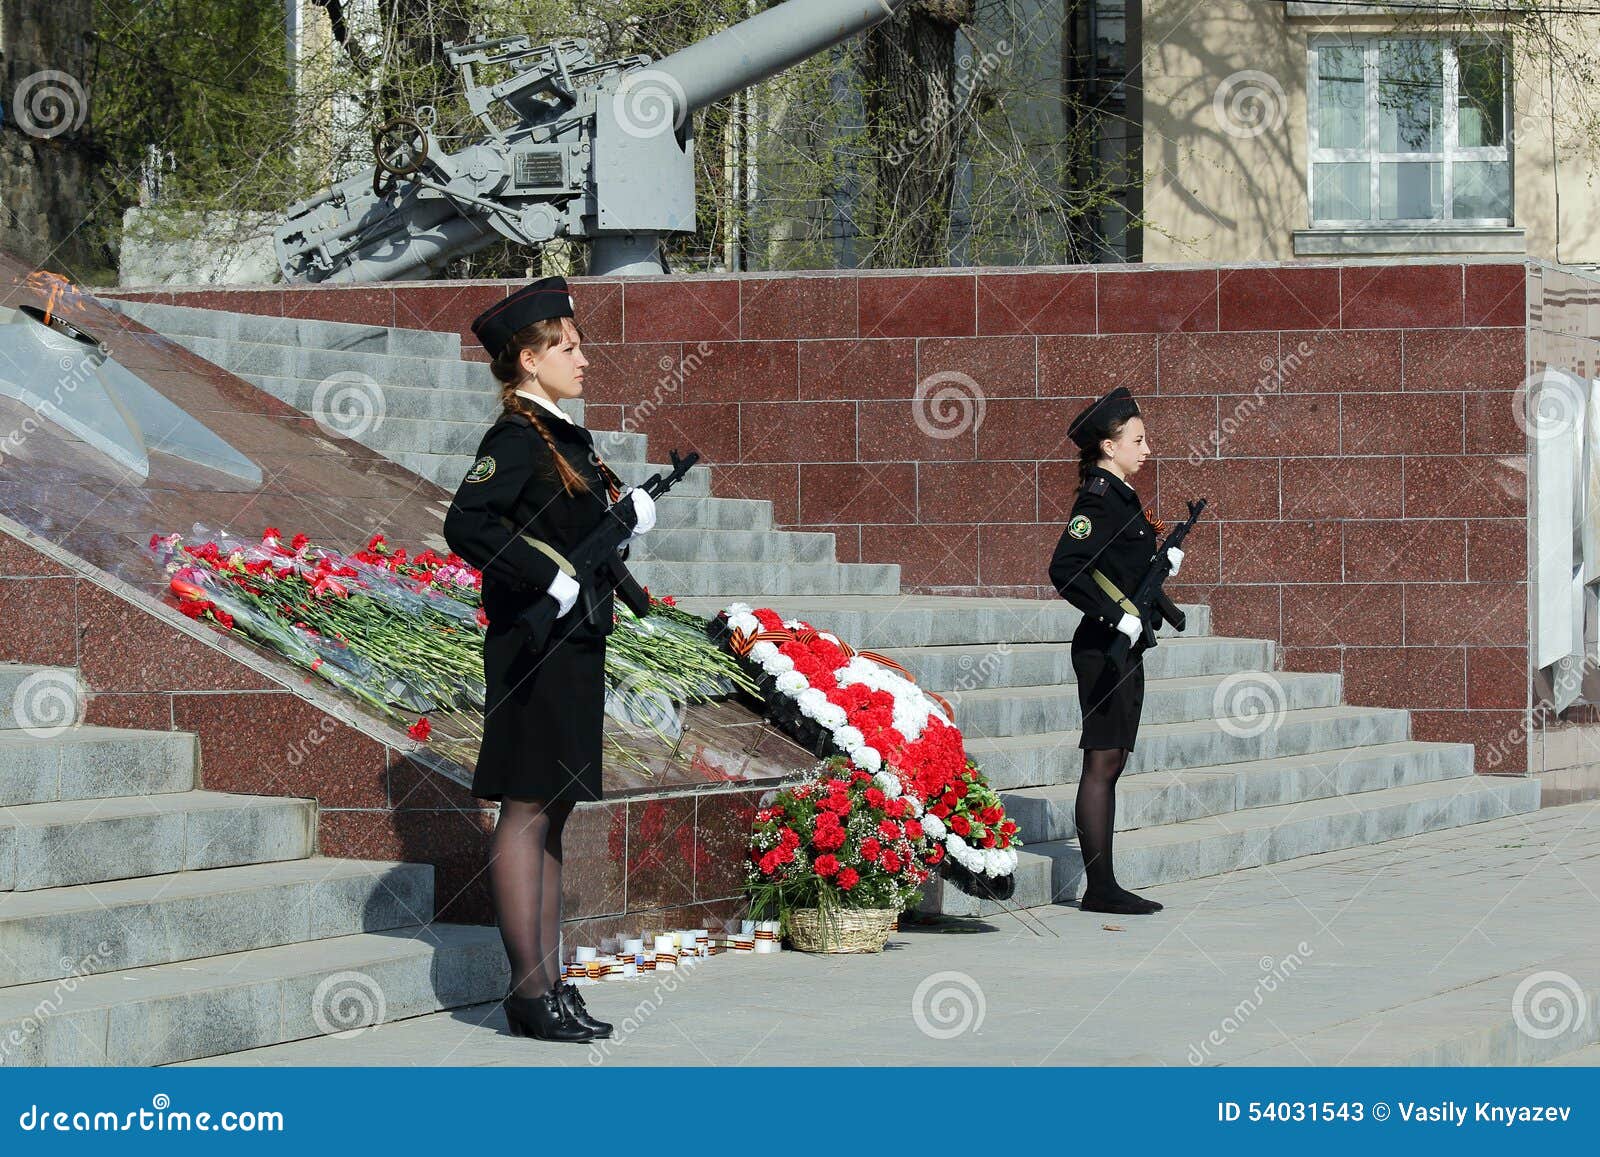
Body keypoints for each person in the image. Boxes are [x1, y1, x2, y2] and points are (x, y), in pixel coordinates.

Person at [444, 276, 657, 1041]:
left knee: (553, 810)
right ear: (529, 360)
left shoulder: (563, 435)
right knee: (526, 807)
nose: (584, 359)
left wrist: (624, 524)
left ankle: (552, 982)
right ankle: (527, 993)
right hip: (533, 646)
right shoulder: (514, 436)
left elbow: (575, 532)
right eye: (567, 347)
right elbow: (464, 523)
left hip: (574, 645)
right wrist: (547, 574)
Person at [1047, 386, 1183, 917]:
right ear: (1108, 446)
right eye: (1137, 439)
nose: (1146, 448)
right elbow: (1066, 568)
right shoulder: (1098, 499)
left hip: (1123, 647)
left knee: (1114, 759)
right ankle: (1100, 888)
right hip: (1103, 648)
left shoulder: (1122, 496)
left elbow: (1117, 569)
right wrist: (1117, 616)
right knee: (1102, 761)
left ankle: (1103, 882)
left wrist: (1161, 564)